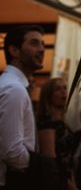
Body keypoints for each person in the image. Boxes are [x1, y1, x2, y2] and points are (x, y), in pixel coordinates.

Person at [0, 25, 46, 189]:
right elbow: (11, 151)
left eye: (42, 44)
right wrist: (43, 167)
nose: (42, 49)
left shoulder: (12, 85)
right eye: (34, 43)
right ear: (14, 50)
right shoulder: (14, 89)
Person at [37, 77, 76, 190]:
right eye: (58, 89)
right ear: (48, 95)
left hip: (67, 177)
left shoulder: (62, 123)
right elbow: (50, 159)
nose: (63, 92)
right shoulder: (47, 123)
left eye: (65, 88)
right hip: (56, 181)